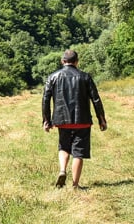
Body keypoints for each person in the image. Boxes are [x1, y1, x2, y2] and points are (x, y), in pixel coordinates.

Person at [42, 49, 108, 190]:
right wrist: (101, 118)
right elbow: (96, 99)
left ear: (62, 61)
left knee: (63, 146)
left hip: (62, 120)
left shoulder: (53, 77)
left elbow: (45, 99)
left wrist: (46, 120)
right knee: (78, 152)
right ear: (77, 62)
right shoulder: (85, 77)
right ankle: (75, 185)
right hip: (82, 120)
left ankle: (62, 170)